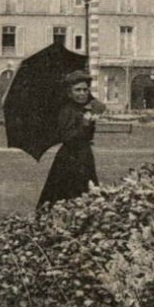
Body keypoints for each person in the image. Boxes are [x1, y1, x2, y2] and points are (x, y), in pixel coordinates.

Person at [37, 69, 101, 207]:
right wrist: (85, 124)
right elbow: (67, 137)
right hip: (69, 159)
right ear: (69, 93)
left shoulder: (83, 109)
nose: (82, 93)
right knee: (68, 195)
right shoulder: (66, 111)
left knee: (87, 192)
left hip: (84, 156)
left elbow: (87, 136)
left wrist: (90, 122)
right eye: (78, 90)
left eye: (85, 90)